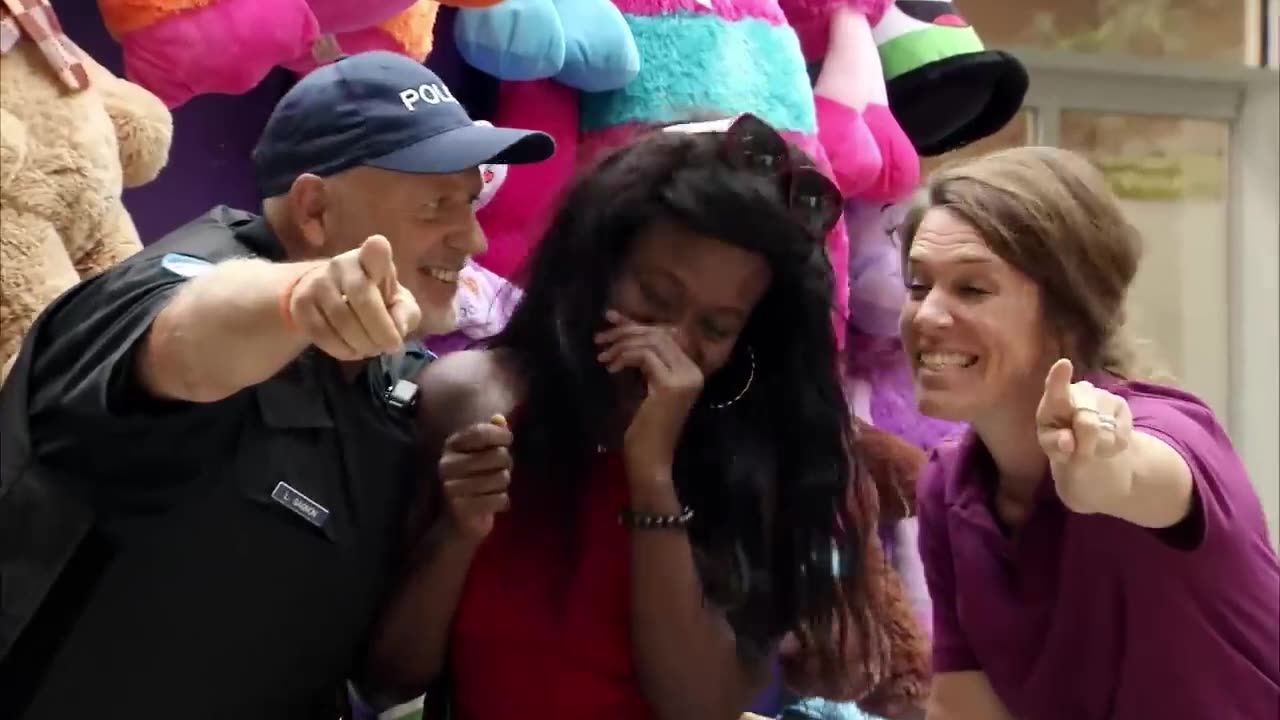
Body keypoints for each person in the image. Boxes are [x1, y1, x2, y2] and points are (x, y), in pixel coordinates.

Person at [0, 51, 553, 719]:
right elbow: (185, 338)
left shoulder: (391, 386)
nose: (471, 240)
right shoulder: (162, 287)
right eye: (437, 204)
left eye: (469, 203)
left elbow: (384, 674)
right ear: (315, 209)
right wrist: (299, 299)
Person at [363, 114, 882, 719]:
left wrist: (652, 475)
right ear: (596, 268)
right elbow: (387, 680)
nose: (670, 341)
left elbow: (698, 706)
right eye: (654, 300)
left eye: (715, 328)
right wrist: (456, 533)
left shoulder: (754, 458)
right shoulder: (472, 397)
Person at [899, 146, 1280, 720]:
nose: (927, 316)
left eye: (972, 289)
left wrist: (1101, 474)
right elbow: (965, 708)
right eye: (919, 285)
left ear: (1067, 316)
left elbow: (1140, 474)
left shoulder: (1170, 431)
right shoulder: (948, 486)